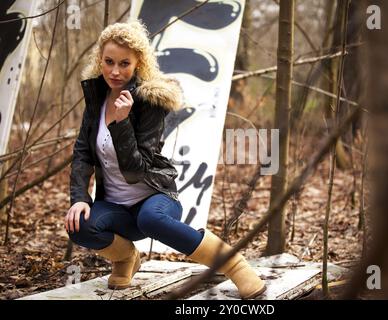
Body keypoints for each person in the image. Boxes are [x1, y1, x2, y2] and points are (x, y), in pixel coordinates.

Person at [64, 20, 266, 299]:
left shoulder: (149, 101)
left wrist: (121, 123)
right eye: (109, 61)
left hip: (155, 197)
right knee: (80, 226)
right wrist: (79, 198)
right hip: (115, 207)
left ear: (138, 64)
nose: (115, 70)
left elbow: (136, 170)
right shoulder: (96, 98)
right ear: (100, 59)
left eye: (124, 63)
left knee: (150, 220)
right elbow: (82, 153)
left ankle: (233, 264)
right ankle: (125, 259)